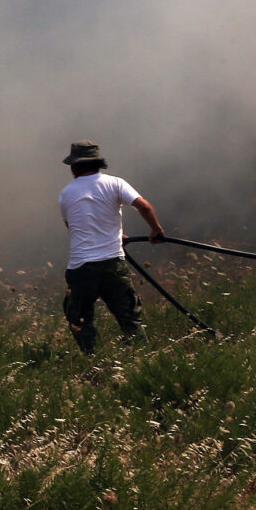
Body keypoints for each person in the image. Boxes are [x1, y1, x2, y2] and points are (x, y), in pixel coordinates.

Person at [58, 141, 164, 355]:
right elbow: (144, 206)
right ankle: (144, 359)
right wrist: (156, 230)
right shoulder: (115, 183)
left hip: (81, 268)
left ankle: (93, 359)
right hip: (113, 264)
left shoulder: (66, 194)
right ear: (98, 163)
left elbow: (76, 228)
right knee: (129, 317)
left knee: (80, 319)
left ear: (73, 167)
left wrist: (112, 236)